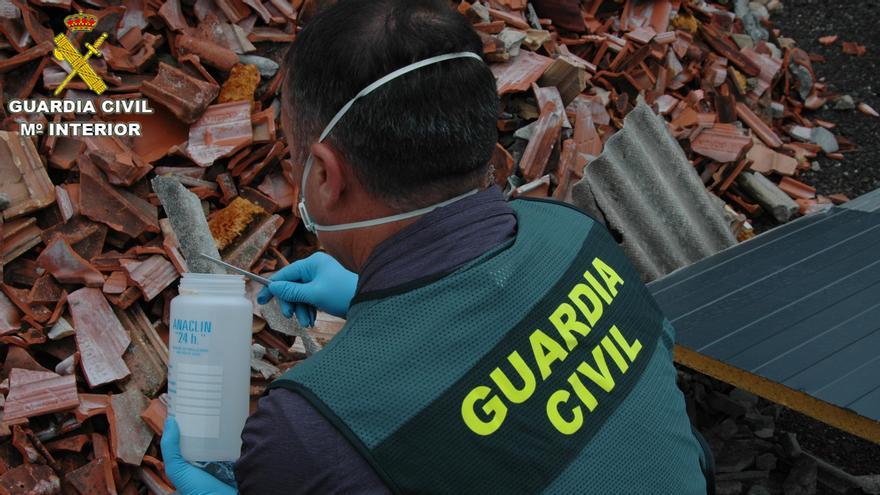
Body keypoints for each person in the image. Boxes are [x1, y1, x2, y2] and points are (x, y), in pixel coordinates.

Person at [160, 0, 714, 493]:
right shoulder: (572, 234)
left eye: (292, 157)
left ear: (325, 176)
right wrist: (369, 299)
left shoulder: (312, 434)